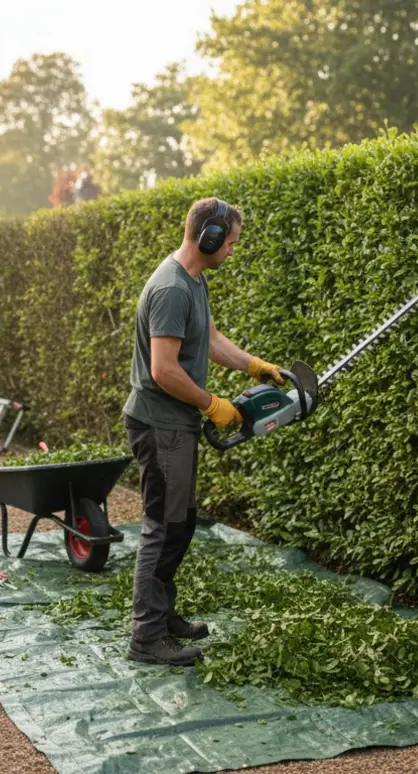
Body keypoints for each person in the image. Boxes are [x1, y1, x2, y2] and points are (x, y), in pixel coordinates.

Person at [121, 196, 287, 666]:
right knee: (163, 529)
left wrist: (254, 366)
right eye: (230, 242)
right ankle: (146, 639)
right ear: (209, 237)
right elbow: (163, 370)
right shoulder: (172, 289)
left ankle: (162, 614)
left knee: (180, 526)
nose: (233, 250)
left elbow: (210, 339)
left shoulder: (194, 280)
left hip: (176, 425)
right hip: (161, 426)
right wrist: (212, 404)